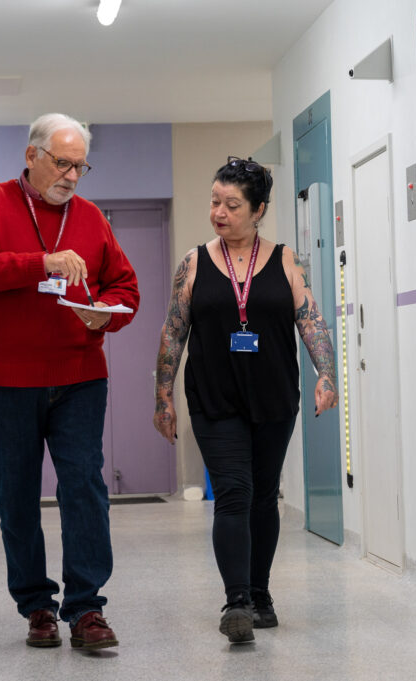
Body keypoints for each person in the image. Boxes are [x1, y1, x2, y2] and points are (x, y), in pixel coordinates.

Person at [0, 113, 139, 650]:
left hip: (79, 378)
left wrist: (108, 313)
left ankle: (86, 609)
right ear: (31, 156)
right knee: (16, 498)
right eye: (63, 162)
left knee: (85, 490)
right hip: (6, 382)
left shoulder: (93, 218)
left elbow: (125, 287)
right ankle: (36, 605)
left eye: (81, 165)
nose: (73, 175)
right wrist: (41, 264)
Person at [153, 156, 338, 644]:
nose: (219, 211)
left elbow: (311, 320)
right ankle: (236, 602)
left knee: (262, 495)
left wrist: (327, 373)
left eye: (231, 204)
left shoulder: (286, 260)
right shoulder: (193, 262)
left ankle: (261, 594)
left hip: (274, 396)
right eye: (215, 201)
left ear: (258, 210)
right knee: (232, 493)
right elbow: (174, 331)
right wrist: (163, 396)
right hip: (215, 398)